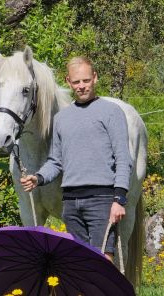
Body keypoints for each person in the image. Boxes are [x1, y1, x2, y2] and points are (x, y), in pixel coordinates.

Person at [20, 57, 132, 261]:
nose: (82, 86)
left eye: (86, 80)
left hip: (102, 200)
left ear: (95, 78)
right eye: (77, 82)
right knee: (77, 263)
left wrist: (119, 199)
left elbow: (124, 159)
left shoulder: (111, 112)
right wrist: (38, 178)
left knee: (103, 261)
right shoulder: (62, 118)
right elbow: (55, 161)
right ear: (69, 82)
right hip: (70, 202)